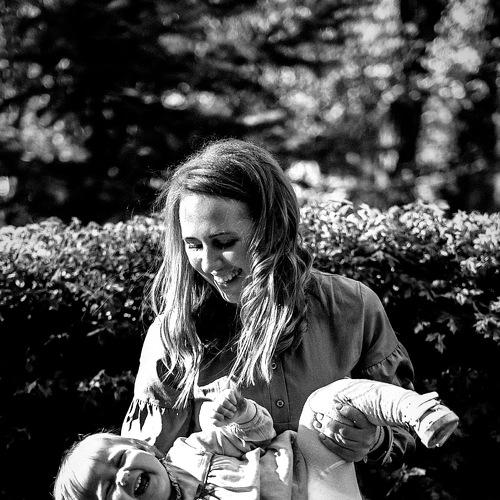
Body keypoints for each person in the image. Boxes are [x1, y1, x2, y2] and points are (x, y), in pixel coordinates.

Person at [121, 138, 416, 465]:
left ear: (273, 229)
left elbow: (406, 427)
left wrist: (375, 440)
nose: (208, 263)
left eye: (224, 242)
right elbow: (143, 464)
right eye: (193, 245)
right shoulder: (176, 334)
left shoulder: (353, 307)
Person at [55, 379, 459, 500]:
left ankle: (418, 410)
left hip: (312, 476)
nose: (122, 476)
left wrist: (241, 415)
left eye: (119, 460)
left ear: (144, 449)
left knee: (325, 403)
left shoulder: (189, 451)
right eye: (106, 490)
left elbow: (262, 436)